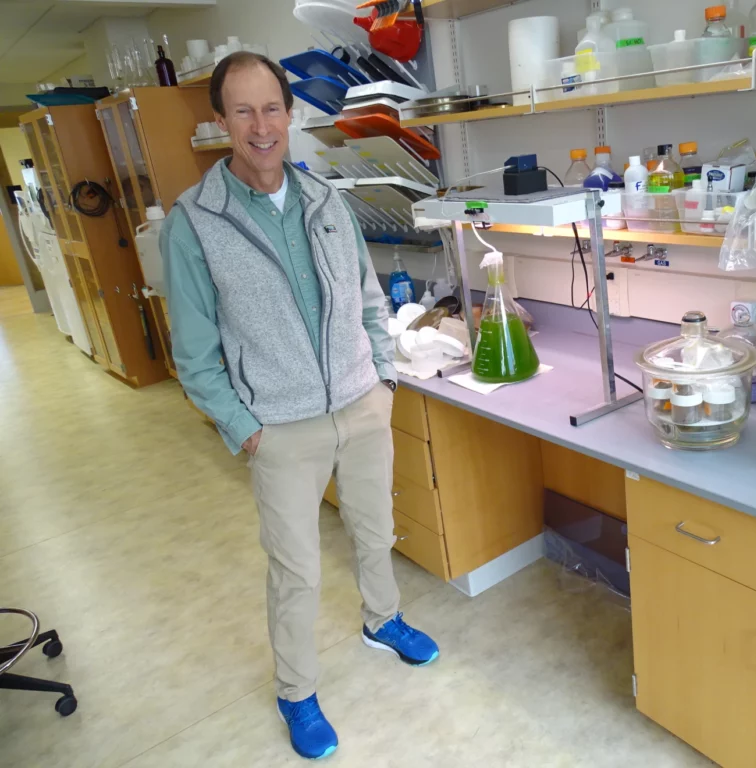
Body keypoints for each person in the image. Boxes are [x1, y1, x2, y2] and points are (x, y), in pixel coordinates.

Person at [160, 51, 438, 761]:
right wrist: (248, 429)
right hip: (280, 428)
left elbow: (369, 299)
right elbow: (193, 354)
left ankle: (383, 620)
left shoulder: (326, 201)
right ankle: (296, 691)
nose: (261, 127)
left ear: (290, 114)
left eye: (271, 109)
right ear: (221, 121)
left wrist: (382, 379)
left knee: (376, 531)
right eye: (243, 111)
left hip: (361, 403)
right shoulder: (195, 223)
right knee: (297, 571)